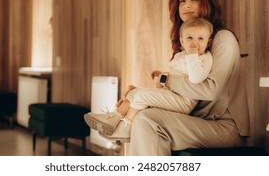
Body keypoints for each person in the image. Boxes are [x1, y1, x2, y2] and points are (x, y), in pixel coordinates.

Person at [122, 0, 251, 155]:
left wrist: (167, 80)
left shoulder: (223, 39)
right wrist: (149, 96)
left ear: (208, 3)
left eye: (194, 0)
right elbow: (183, 95)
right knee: (142, 116)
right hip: (195, 120)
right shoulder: (187, 43)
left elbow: (210, 90)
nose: (187, 5)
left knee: (148, 120)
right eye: (182, 1)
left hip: (224, 127)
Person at [83, 17, 214, 141]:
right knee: (134, 92)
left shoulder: (205, 58)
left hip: (184, 101)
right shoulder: (181, 55)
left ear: (208, 42)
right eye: (190, 38)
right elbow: (170, 82)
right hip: (171, 95)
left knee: (142, 96)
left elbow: (196, 78)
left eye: (201, 38)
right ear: (182, 41)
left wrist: (193, 55)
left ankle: (126, 128)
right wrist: (162, 76)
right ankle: (113, 117)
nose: (194, 43)